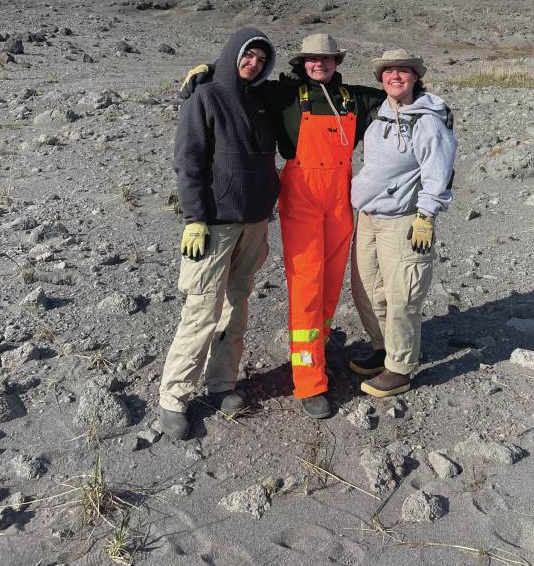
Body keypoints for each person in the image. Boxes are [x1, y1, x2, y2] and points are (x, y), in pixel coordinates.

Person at [181, 33, 383, 418]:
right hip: (302, 200)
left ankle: (317, 351)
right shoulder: (284, 95)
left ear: (336, 62)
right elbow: (242, 81)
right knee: (307, 285)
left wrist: (436, 108)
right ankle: (309, 383)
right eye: (311, 59)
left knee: (329, 285)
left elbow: (399, 99)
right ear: (301, 63)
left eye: (326, 59)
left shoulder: (355, 98)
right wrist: (208, 71)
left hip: (340, 202)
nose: (318, 64)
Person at [158, 27, 280, 440]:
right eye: (247, 57)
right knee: (201, 309)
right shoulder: (205, 96)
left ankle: (222, 383)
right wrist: (194, 217)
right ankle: (174, 396)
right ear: (234, 55)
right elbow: (188, 161)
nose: (254, 64)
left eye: (262, 60)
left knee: (237, 302)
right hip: (214, 224)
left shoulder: (262, 98)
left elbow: (306, 83)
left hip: (255, 221)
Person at [349, 48, 457, 398]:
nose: (395, 77)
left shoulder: (427, 121)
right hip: (368, 218)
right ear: (380, 79)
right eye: (388, 72)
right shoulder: (378, 114)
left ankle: (400, 368)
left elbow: (437, 174)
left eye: (403, 71)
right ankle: (383, 347)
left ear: (415, 77)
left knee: (402, 295)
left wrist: (426, 217)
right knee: (367, 288)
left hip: (404, 220)